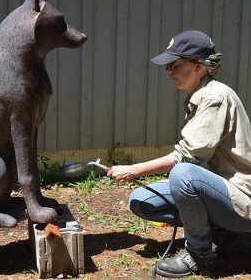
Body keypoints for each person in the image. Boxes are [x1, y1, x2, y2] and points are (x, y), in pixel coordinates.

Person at [107, 29, 251, 278]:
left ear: (199, 66)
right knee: (141, 200)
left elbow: (186, 158)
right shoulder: (201, 95)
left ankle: (200, 253)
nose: (168, 70)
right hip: (219, 189)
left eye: (175, 64)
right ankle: (220, 233)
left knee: (183, 174)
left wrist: (134, 169)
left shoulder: (214, 97)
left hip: (241, 200)